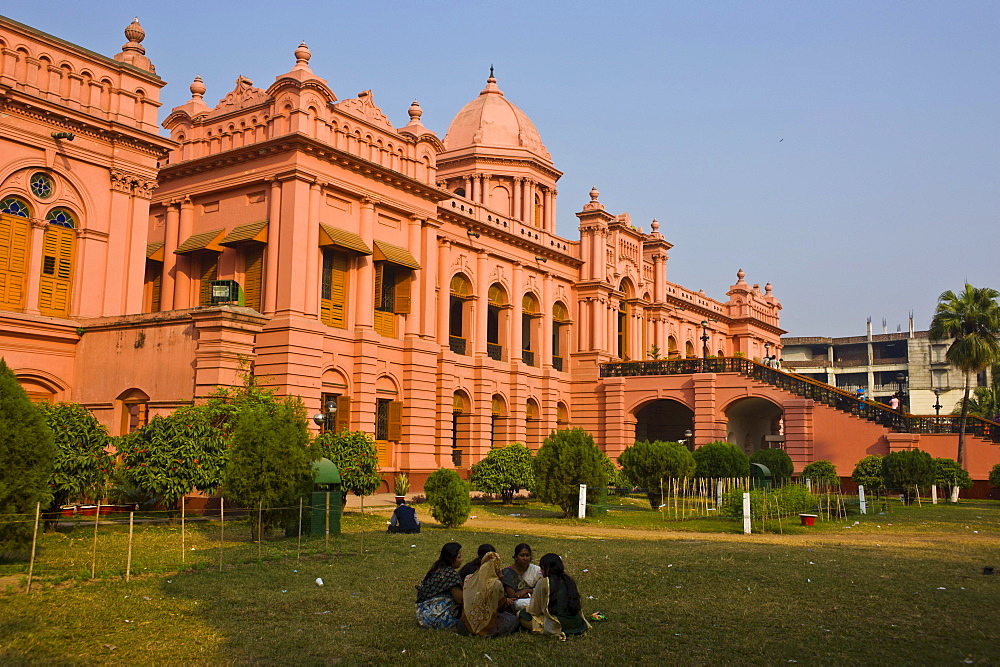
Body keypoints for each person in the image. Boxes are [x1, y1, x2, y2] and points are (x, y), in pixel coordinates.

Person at [519, 553, 590, 639]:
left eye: (542, 568)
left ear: (547, 569)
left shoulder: (544, 582)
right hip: (577, 623)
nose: (541, 571)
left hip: (556, 624)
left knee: (522, 615)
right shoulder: (569, 581)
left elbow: (534, 610)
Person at [461, 552, 519, 636]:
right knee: (513, 620)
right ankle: (484, 631)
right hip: (487, 625)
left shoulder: (469, 578)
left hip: (466, 624)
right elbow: (500, 606)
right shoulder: (495, 583)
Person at [415, 542, 463, 629]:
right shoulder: (449, 574)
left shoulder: (436, 568)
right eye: (459, 557)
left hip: (422, 615)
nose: (461, 560)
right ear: (451, 559)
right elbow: (460, 599)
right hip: (434, 618)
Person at [501, 543, 542, 611]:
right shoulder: (508, 573)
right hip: (517, 603)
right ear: (516, 557)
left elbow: (544, 589)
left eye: (527, 555)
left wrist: (527, 591)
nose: (525, 558)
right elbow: (514, 596)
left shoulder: (536, 570)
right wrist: (532, 594)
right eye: (522, 555)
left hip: (535, 599)